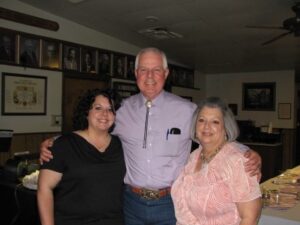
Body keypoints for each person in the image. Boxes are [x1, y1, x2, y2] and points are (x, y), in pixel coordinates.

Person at [40, 47, 261, 225]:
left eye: (156, 70)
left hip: (170, 203)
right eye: (143, 70)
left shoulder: (187, 110)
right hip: (130, 202)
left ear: (165, 74)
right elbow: (92, 129)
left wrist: (246, 153)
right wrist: (55, 142)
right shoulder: (120, 110)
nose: (150, 76)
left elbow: (213, 135)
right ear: (135, 74)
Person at [37, 89, 126, 225]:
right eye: (98, 108)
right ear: (86, 113)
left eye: (110, 109)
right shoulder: (64, 145)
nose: (105, 114)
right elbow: (44, 188)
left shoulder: (121, 145)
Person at [171, 97, 262, 225]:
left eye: (215, 122)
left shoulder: (237, 161)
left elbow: (250, 217)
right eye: (201, 120)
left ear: (225, 128)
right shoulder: (194, 156)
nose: (206, 126)